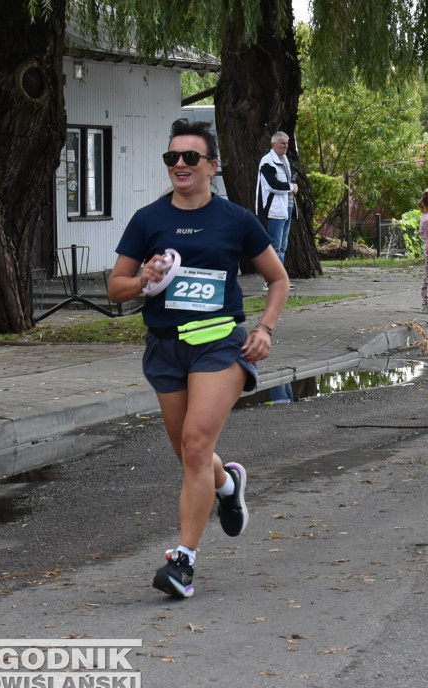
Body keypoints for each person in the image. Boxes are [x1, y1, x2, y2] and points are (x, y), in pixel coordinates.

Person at [108, 118, 290, 598]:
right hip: (166, 349)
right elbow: (115, 289)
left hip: (220, 344)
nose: (181, 164)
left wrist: (265, 328)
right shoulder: (148, 219)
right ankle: (227, 483)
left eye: (191, 157)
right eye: (173, 157)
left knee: (194, 444)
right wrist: (144, 278)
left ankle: (182, 563)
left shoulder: (236, 219)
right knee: (192, 455)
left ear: (212, 165)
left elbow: (279, 279)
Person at [256, 131, 297, 283]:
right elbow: (272, 185)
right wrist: (291, 187)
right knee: (274, 247)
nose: (285, 146)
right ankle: (271, 280)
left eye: (286, 143)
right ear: (273, 144)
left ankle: (281, 279)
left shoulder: (285, 160)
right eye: (282, 143)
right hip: (274, 210)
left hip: (287, 208)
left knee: (283, 247)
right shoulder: (267, 161)